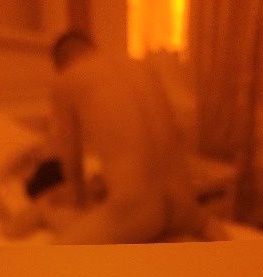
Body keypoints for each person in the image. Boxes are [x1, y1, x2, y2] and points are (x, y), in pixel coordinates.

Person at [41, 31, 210, 244]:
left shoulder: (65, 79)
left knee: (55, 250)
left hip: (140, 212)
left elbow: (71, 161)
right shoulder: (140, 66)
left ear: (60, 63)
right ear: (91, 48)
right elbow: (173, 134)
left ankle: (42, 215)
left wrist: (78, 202)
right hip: (184, 203)